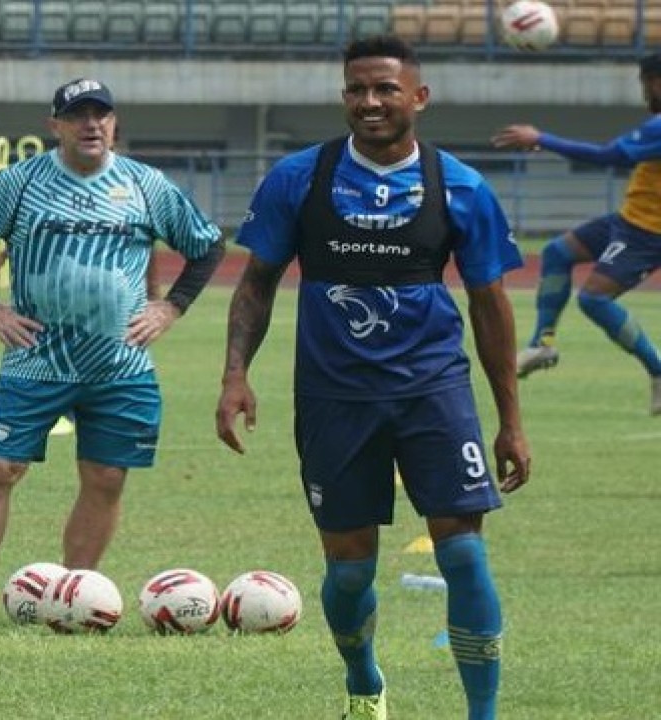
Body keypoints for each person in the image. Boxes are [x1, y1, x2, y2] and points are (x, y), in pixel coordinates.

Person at [215, 37, 532, 720]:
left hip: (434, 393)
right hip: (335, 398)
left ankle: (485, 714)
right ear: (343, 97)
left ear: (418, 97)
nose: (370, 102)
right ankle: (363, 683)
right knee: (350, 570)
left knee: (466, 558)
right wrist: (235, 375)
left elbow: (491, 306)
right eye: (358, 89)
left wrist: (510, 420)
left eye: (386, 88)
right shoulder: (298, 179)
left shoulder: (463, 188)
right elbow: (256, 285)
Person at [0, 77, 226, 627]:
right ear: (55, 126)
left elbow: (206, 244)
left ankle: (74, 590)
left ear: (114, 123)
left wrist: (171, 307)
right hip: (36, 358)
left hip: (121, 364)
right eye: (78, 115)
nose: (91, 124)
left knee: (106, 478)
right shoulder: (19, 182)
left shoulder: (146, 185)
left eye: (101, 114)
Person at [491, 52, 661, 415]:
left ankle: (658, 369)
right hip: (629, 219)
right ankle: (542, 343)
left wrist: (542, 138)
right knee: (556, 253)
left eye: (645, 82)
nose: (643, 91)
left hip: (649, 233)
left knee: (594, 299)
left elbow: (607, 156)